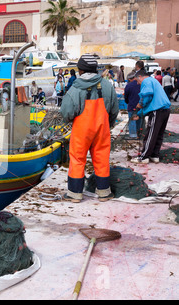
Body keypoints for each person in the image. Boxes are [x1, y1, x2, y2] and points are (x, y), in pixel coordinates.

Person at [60, 54, 119, 203]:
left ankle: (75, 194)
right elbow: (114, 110)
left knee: (77, 158)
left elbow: (66, 112)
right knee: (101, 157)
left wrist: (71, 120)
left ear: (80, 70)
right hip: (101, 127)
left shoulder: (75, 88)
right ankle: (104, 192)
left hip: (81, 129)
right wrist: (108, 123)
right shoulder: (107, 85)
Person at [131, 69, 171, 164]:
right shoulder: (153, 81)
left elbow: (147, 95)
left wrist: (140, 104)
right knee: (159, 134)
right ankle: (154, 155)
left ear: (140, 77)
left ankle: (144, 157)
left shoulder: (146, 81)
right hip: (166, 109)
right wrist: (140, 114)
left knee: (151, 134)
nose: (137, 83)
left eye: (137, 80)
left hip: (158, 110)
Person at [124, 71, 141, 139]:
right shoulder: (141, 84)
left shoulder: (129, 85)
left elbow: (126, 96)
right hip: (140, 105)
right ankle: (139, 134)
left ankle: (133, 135)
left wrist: (127, 102)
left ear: (130, 79)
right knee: (139, 120)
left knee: (132, 121)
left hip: (132, 106)